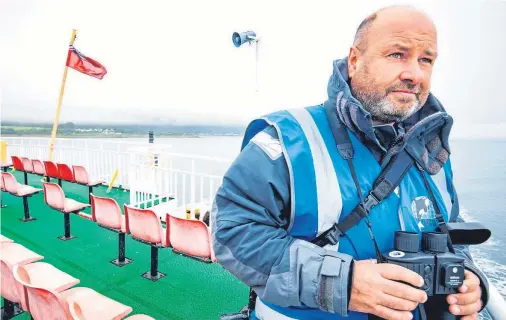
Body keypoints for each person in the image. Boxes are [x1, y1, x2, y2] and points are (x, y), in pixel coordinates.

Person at [211, 5, 489, 320]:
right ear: (354, 60)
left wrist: (469, 279)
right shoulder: (289, 138)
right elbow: (231, 233)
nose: (414, 74)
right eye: (397, 54)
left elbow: (453, 238)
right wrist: (342, 283)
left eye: (426, 59)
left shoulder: (433, 151)